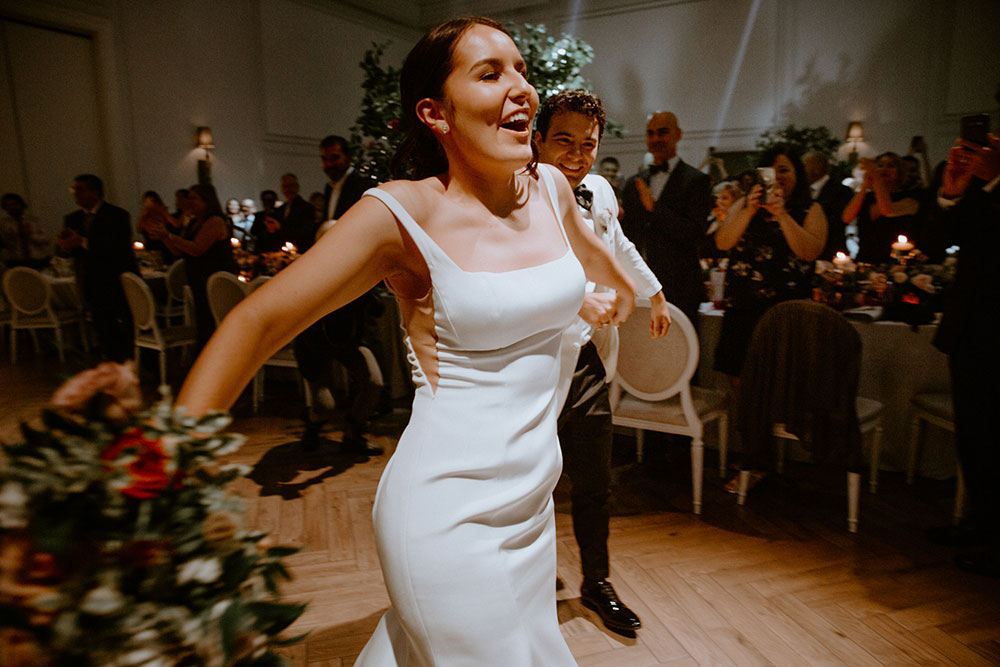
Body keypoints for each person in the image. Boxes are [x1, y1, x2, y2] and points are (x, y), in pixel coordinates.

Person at [175, 17, 636, 665]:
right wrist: (162, 479)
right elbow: (256, 322)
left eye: (522, 70)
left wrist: (613, 293)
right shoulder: (403, 213)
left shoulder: (552, 189)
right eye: (489, 73)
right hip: (447, 517)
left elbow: (587, 256)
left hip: (532, 516)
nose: (521, 89)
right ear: (434, 112)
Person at [535, 89, 669, 636]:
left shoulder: (600, 190)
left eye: (587, 143)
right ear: (538, 139)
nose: (576, 153)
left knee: (594, 478)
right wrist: (577, 301)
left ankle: (596, 580)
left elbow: (618, 245)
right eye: (562, 140)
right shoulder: (516, 197)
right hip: (533, 360)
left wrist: (654, 292)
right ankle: (530, 584)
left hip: (586, 360)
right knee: (532, 483)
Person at [713, 144, 827, 491]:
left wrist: (782, 216)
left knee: (773, 386)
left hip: (784, 316)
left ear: (798, 175)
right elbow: (722, 242)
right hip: (742, 308)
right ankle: (754, 457)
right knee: (741, 385)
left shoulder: (810, 208)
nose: (777, 177)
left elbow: (810, 250)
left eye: (785, 170)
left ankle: (759, 459)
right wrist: (748, 210)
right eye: (771, 171)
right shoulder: (744, 205)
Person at [926, 133, 1000, 577]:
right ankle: (978, 523)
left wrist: (992, 185)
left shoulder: (992, 181)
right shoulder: (972, 181)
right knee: (974, 437)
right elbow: (935, 243)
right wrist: (952, 194)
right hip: (970, 330)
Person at [295, 133, 387, 458]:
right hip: (317, 343)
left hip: (347, 329)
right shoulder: (311, 281)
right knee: (324, 406)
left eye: (334, 158)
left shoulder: (361, 189)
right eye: (324, 159)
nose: (328, 165)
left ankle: (352, 434)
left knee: (373, 383)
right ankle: (314, 423)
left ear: (346, 157)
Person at [621, 110, 713, 325]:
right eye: (650, 133)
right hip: (640, 286)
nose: (655, 139)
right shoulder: (634, 184)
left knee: (684, 354)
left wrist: (655, 208)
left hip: (681, 287)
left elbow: (695, 235)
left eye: (662, 132)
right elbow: (628, 237)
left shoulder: (697, 181)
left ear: (678, 134)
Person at [57, 174, 138, 362]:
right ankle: (113, 364)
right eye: (73, 190)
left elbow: (118, 247)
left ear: (95, 192)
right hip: (91, 280)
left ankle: (137, 361)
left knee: (128, 322)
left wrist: (83, 242)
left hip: (117, 278)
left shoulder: (117, 215)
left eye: (79, 190)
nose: (75, 194)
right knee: (103, 326)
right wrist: (64, 244)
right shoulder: (72, 218)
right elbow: (67, 251)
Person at [146, 183, 235, 349]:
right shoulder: (194, 222)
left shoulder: (215, 221)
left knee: (212, 321)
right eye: (189, 198)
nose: (189, 202)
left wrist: (169, 235)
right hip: (198, 278)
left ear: (207, 201)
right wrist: (164, 237)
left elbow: (196, 249)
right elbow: (180, 251)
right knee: (203, 320)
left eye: (194, 198)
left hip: (213, 279)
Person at [843, 152, 923, 264]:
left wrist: (876, 176)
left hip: (896, 262)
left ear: (899, 172)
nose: (884, 169)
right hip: (866, 259)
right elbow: (846, 217)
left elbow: (887, 210)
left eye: (890, 166)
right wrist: (865, 187)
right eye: (880, 165)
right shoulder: (868, 197)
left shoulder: (910, 196)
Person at [803, 150, 853, 259]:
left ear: (816, 169)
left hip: (831, 253)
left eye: (803, 166)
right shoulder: (801, 190)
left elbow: (837, 222)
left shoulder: (841, 191)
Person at [0, 193, 50, 268]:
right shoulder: (3, 224)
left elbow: (47, 240)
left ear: (21, 204)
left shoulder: (34, 220)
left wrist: (31, 235)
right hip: (16, 262)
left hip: (38, 260)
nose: (12, 207)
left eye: (14, 204)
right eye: (8, 205)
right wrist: (10, 238)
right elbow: (3, 246)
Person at [136, 190, 180, 264]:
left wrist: (162, 211)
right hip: (152, 249)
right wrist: (143, 214)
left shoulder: (163, 214)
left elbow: (176, 225)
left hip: (166, 247)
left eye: (152, 201)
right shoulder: (145, 217)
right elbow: (139, 230)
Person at [275, 173, 315, 252]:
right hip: (282, 252)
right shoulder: (280, 209)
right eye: (285, 186)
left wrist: (281, 227)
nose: (288, 190)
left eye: (291, 186)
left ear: (297, 187)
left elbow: (306, 234)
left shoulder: (306, 208)